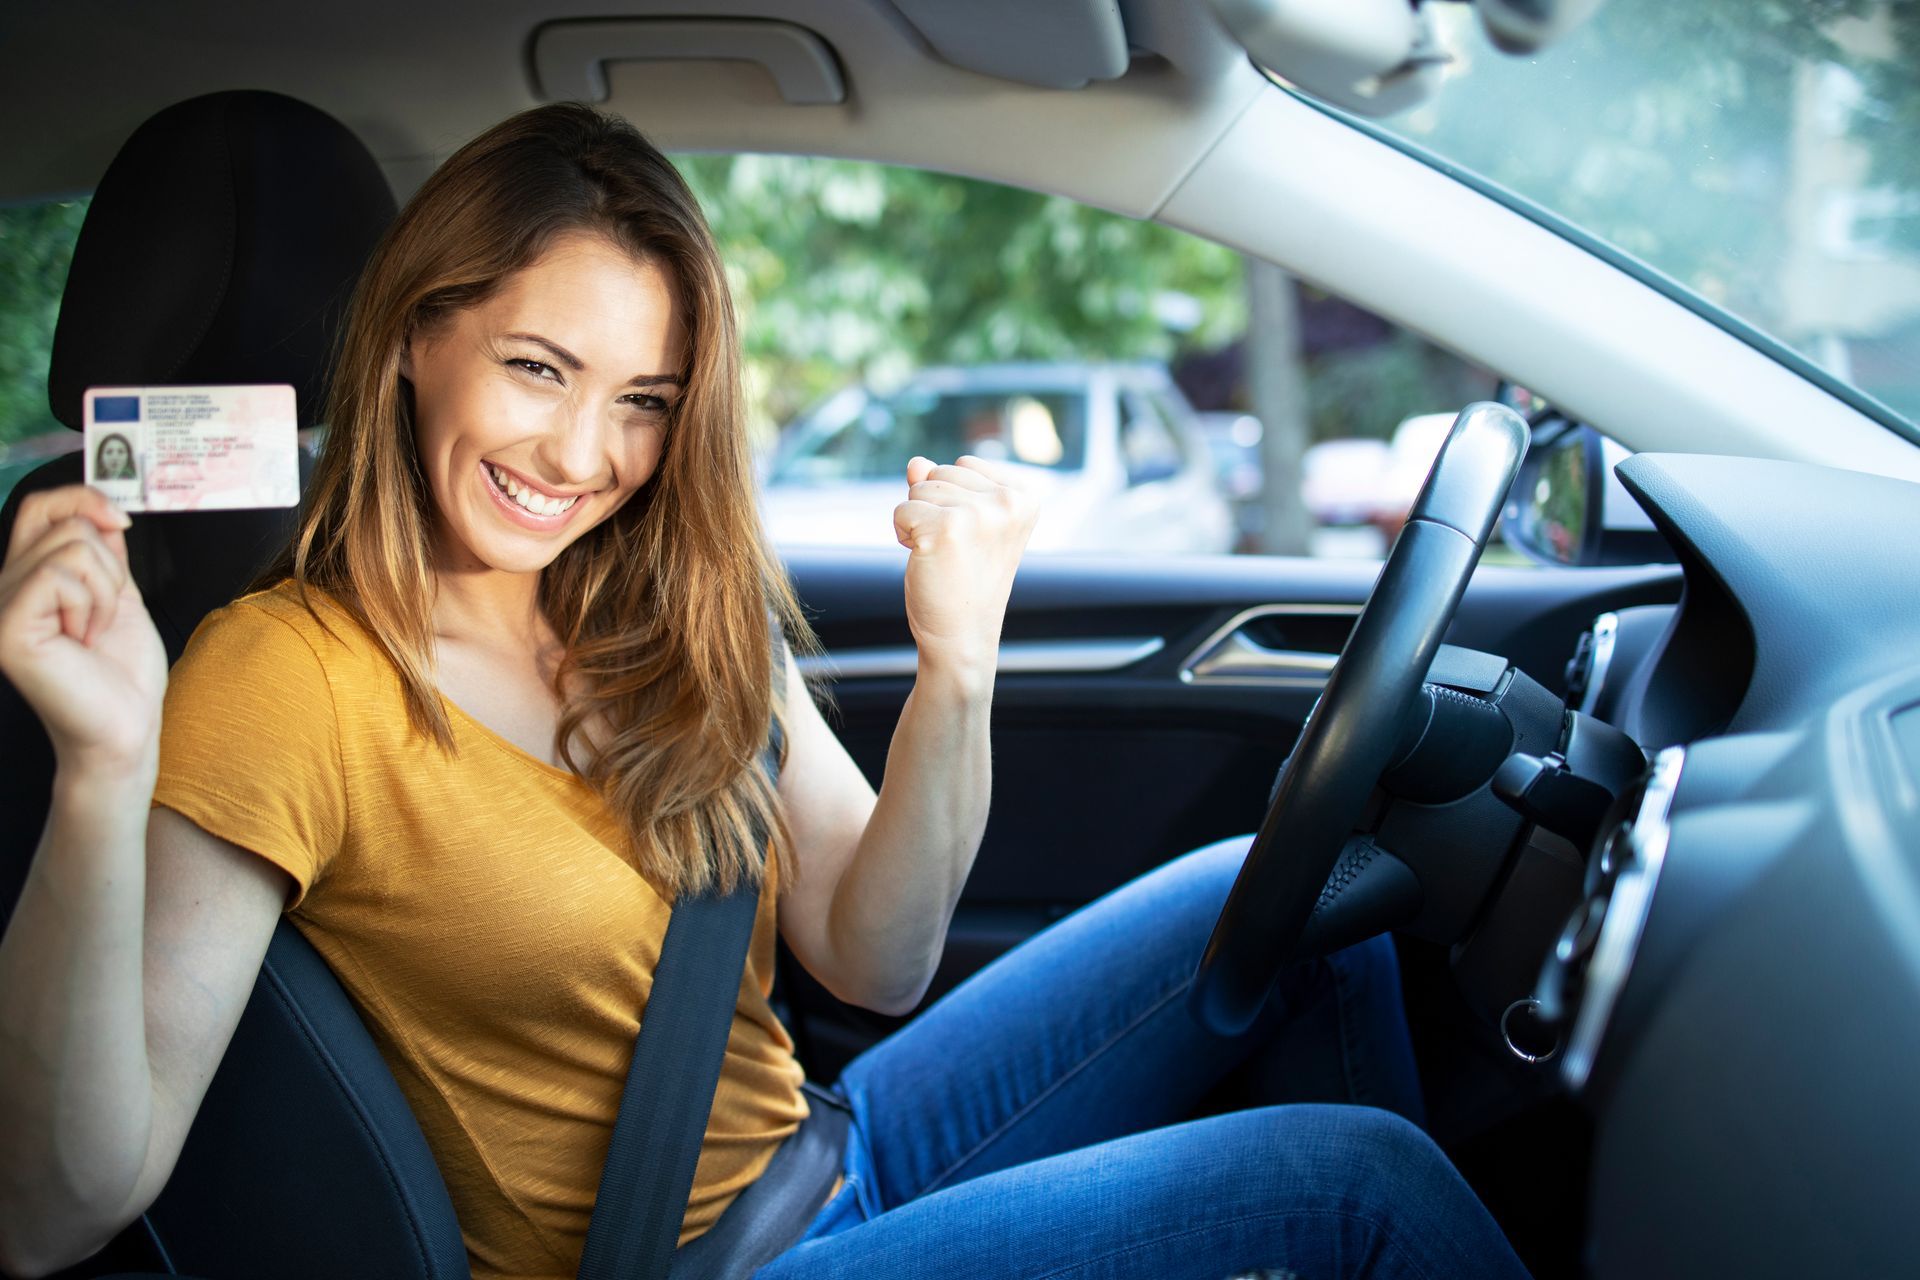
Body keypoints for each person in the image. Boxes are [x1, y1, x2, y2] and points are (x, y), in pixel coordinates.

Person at [0, 103, 1530, 1280]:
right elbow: (64, 1208)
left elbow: (878, 955)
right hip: (686, 1262)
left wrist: (960, 663)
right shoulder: (280, 677)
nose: (580, 457)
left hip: (822, 1155)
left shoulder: (649, 597)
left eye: (643, 403)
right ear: (416, 340)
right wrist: (94, 771)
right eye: (538, 368)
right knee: (1359, 1189)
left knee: (1302, 900)